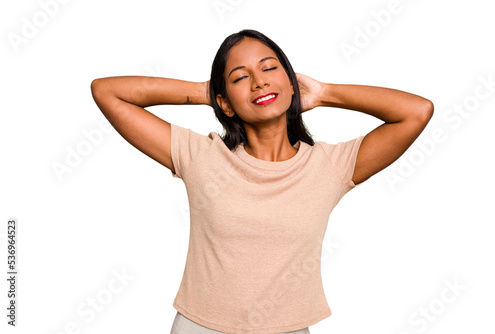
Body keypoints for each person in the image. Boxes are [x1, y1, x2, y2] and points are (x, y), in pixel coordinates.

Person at [90, 29, 433, 334]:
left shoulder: (329, 166)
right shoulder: (201, 156)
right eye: (240, 78)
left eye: (270, 68)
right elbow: (107, 92)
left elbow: (416, 111)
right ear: (224, 101)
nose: (259, 82)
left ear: (291, 82)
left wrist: (326, 93)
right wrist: (205, 93)